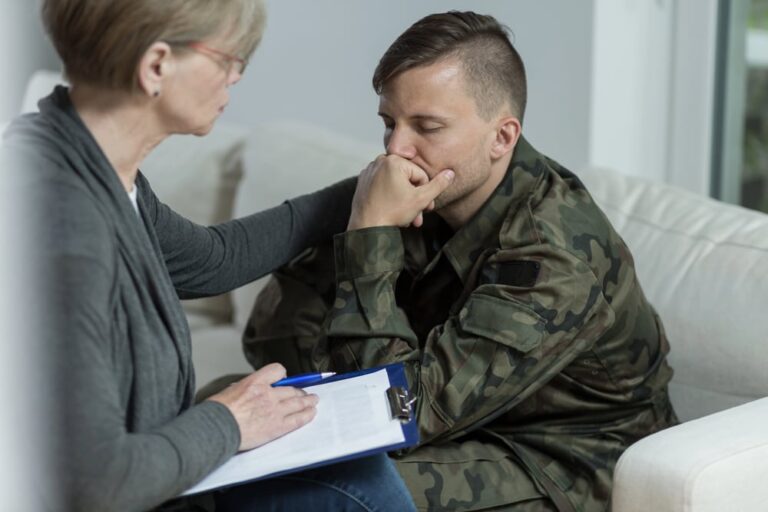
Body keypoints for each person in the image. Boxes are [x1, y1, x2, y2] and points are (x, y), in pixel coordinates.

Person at [1, 1, 454, 511]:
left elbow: (212, 259)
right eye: (228, 59)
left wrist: (368, 189)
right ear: (156, 66)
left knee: (359, 474)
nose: (236, 77)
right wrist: (231, 421)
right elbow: (96, 484)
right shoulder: (66, 226)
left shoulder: (93, 164)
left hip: (162, 476)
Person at [244, 10, 679, 512]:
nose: (395, 150)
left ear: (502, 137)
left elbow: (389, 419)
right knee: (213, 424)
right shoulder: (424, 191)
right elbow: (268, 330)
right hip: (454, 427)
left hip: (562, 460)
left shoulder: (554, 258)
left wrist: (369, 236)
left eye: (426, 127)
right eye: (389, 123)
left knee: (320, 492)